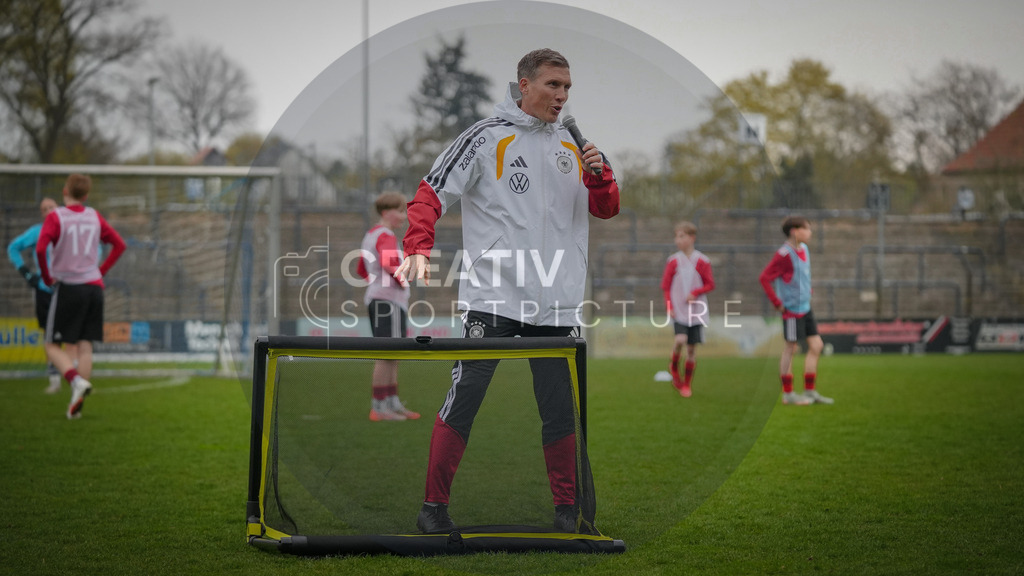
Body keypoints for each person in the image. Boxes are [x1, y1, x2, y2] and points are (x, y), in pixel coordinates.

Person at [395, 48, 619, 534]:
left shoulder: (574, 147)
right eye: (552, 85)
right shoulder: (484, 137)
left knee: (561, 411)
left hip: (558, 302)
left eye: (567, 88)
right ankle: (433, 509)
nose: (561, 96)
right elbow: (431, 191)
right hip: (493, 296)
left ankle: (567, 512)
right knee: (465, 398)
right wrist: (418, 245)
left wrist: (601, 177)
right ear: (523, 84)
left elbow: (606, 208)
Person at [36, 174, 126, 419]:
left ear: (65, 190)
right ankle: (76, 405)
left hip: (69, 287)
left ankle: (75, 380)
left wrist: (46, 277)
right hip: (94, 289)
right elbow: (119, 245)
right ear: (86, 196)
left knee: (51, 345)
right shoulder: (94, 216)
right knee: (85, 346)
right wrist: (100, 271)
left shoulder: (57, 217)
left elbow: (41, 248)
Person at [357, 192, 420, 422]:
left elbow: (361, 269)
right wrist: (404, 280)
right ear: (386, 212)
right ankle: (380, 406)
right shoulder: (385, 235)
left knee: (392, 354)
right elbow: (386, 263)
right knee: (386, 354)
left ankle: (390, 403)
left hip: (382, 299)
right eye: (400, 211)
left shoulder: (371, 234)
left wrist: (376, 284)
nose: (404, 216)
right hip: (387, 302)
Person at [759, 216, 834, 406]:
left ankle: (810, 391)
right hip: (791, 311)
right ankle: (788, 394)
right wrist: (776, 302)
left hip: (806, 308)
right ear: (794, 231)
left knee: (816, 346)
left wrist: (807, 289)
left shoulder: (805, 249)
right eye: (806, 229)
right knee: (790, 348)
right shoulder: (784, 254)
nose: (810, 233)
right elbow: (764, 278)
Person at [7, 197, 63, 393]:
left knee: (70, 335)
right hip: (44, 290)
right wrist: (27, 274)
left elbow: (95, 248)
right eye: (44, 209)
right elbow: (12, 248)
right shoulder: (36, 232)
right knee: (50, 337)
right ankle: (54, 378)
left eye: (51, 207)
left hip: (68, 289)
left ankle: (75, 376)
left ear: (59, 209)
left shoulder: (68, 229)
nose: (48, 211)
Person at [660, 221, 715, 398]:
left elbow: (710, 284)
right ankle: (674, 367)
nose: (678, 240)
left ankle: (686, 385)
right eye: (676, 236)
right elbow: (666, 286)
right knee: (680, 340)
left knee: (691, 350)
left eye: (681, 236)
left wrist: (695, 292)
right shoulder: (673, 261)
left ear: (692, 238)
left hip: (696, 311)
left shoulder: (702, 261)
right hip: (679, 310)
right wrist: (669, 306)